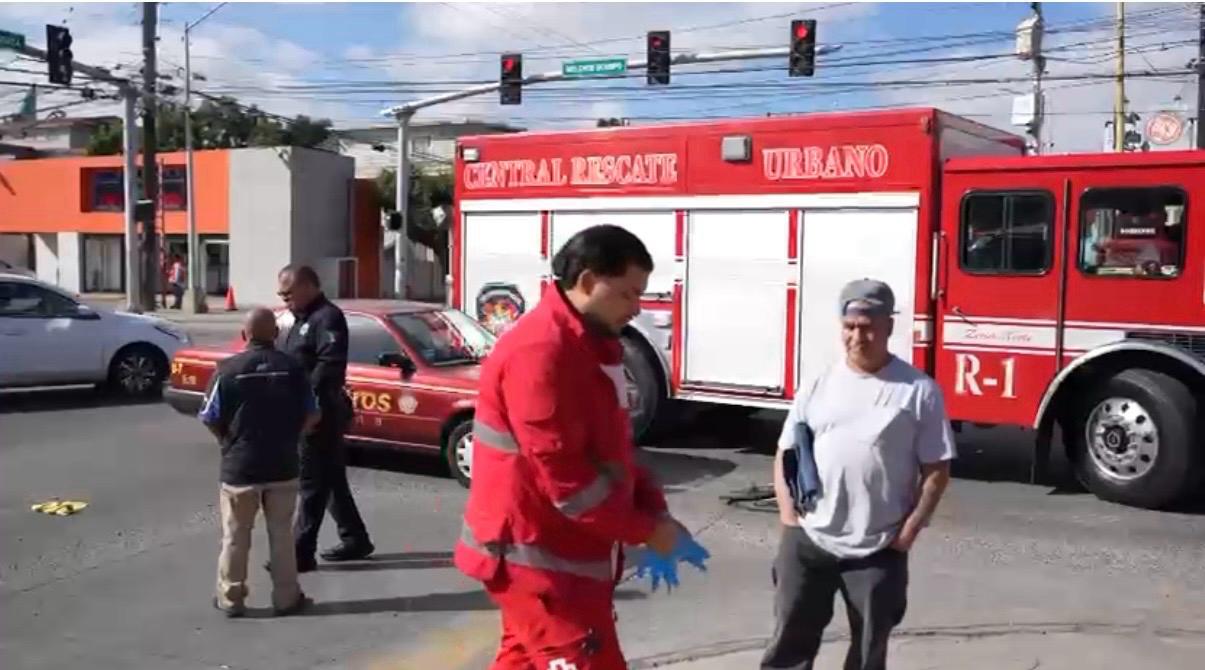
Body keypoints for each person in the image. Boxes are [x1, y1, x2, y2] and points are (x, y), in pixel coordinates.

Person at [455, 224, 685, 670]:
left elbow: (611, 453)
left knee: (522, 659)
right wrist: (646, 530)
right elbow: (568, 480)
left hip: (557, 561)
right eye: (627, 294)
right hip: (540, 566)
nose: (636, 309)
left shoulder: (587, 347)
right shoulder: (543, 351)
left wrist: (650, 504)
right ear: (586, 282)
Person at [761, 279, 956, 670]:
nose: (857, 336)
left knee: (869, 653)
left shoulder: (918, 391)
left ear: (887, 326)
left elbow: (937, 470)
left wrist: (909, 531)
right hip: (810, 540)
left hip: (877, 545)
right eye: (849, 327)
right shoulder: (818, 383)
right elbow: (786, 452)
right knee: (789, 646)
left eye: (867, 326)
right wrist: (790, 521)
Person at [199, 307, 319, 618]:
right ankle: (287, 598)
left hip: (240, 468)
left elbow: (209, 416)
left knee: (236, 536)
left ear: (244, 334)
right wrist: (294, 436)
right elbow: (313, 413)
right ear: (276, 334)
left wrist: (227, 441)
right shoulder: (293, 369)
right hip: (283, 466)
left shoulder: (227, 370)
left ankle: (231, 598)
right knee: (281, 536)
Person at [277, 264, 374, 571]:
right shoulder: (302, 319)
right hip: (307, 410)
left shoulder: (326, 318)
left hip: (320, 413)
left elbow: (328, 368)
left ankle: (300, 553)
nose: (284, 299)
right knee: (331, 479)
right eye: (281, 294)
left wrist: (308, 406)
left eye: (288, 293)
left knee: (311, 484)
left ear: (308, 286)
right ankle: (355, 538)